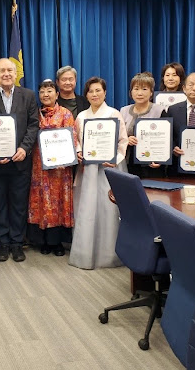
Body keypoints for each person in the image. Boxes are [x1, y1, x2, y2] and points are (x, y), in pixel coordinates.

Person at [0, 58, 39, 263]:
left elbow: (33, 125)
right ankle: (3, 243)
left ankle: (17, 243)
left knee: (19, 205)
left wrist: (24, 148)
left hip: (20, 162)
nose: (6, 74)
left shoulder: (28, 95)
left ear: (16, 73)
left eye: (10, 70)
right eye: (2, 70)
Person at [70, 77, 128, 270]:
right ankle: (85, 254)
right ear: (86, 95)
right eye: (90, 91)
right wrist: (79, 152)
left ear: (105, 92)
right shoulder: (81, 117)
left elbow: (123, 141)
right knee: (86, 209)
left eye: (98, 90)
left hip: (109, 169)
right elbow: (76, 140)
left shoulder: (114, 114)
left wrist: (115, 158)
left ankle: (109, 255)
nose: (94, 94)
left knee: (108, 210)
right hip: (88, 169)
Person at [27, 79, 76, 256]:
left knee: (58, 202)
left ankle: (57, 242)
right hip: (39, 167)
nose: (45, 94)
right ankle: (43, 241)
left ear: (57, 94)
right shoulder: (34, 114)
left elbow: (73, 138)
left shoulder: (65, 114)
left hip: (60, 169)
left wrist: (66, 158)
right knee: (41, 201)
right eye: (42, 92)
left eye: (49, 91)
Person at [120, 72, 165, 178]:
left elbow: (165, 139)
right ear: (131, 92)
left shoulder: (160, 111)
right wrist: (126, 140)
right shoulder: (123, 111)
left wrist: (160, 159)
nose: (140, 93)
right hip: (128, 164)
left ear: (151, 92)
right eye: (136, 89)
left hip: (151, 165)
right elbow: (117, 137)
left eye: (144, 89)